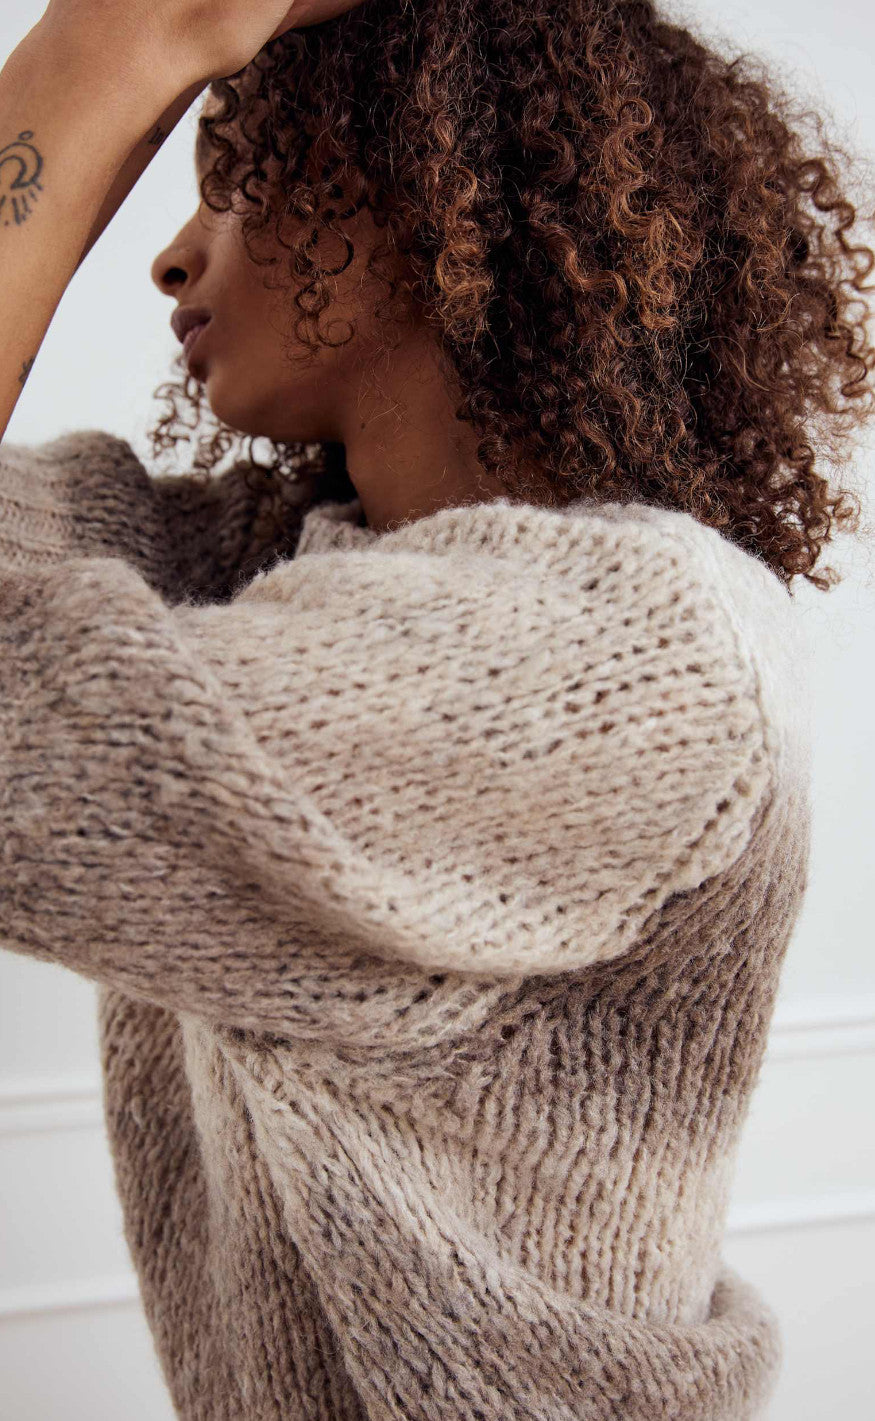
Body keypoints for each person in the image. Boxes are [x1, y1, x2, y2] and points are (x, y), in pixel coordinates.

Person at [0, 2, 872, 1418]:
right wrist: (116, 79)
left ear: (416, 194)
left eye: (234, 177)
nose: (174, 253)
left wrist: (109, 53)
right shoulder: (274, 567)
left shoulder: (635, 650)